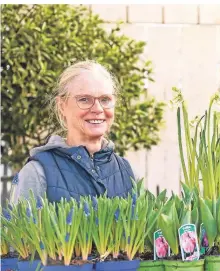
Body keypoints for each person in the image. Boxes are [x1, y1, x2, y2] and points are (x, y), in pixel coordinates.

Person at [11, 60, 136, 203]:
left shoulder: (129, 173)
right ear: (62, 106)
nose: (98, 109)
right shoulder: (37, 173)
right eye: (84, 99)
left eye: (105, 99)